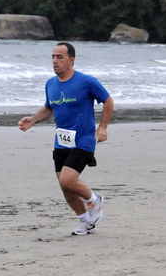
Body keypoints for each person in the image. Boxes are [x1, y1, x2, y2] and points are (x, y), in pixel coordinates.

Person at [18, 42, 114, 235]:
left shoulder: (87, 82)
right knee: (66, 187)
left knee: (67, 181)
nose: (55, 61)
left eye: (59, 57)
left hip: (83, 140)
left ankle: (95, 200)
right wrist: (33, 119)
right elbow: (50, 107)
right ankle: (85, 222)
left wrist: (102, 127)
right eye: (53, 57)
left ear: (71, 60)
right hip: (61, 142)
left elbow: (108, 101)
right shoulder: (50, 84)